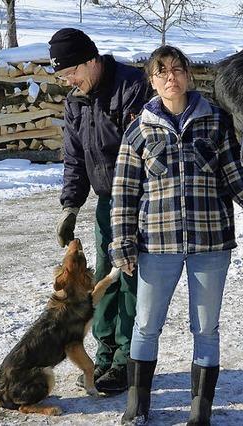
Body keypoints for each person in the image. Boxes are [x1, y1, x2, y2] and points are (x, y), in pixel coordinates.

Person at [109, 45, 243, 425]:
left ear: (188, 75)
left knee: (206, 326)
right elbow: (124, 193)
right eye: (161, 72)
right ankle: (138, 404)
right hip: (156, 245)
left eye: (177, 69)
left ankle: (199, 409)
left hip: (211, 242)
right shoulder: (137, 130)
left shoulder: (216, 123)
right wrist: (122, 242)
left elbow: (235, 178)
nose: (170, 77)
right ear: (152, 81)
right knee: (145, 324)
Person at [49, 28, 151, 393]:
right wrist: (70, 206)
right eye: (62, 77)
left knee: (130, 279)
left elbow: (140, 150)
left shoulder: (133, 86)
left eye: (70, 73)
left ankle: (127, 359)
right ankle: (105, 355)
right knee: (103, 279)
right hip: (108, 202)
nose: (68, 82)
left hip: (141, 200)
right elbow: (74, 159)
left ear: (91, 60)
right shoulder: (77, 100)